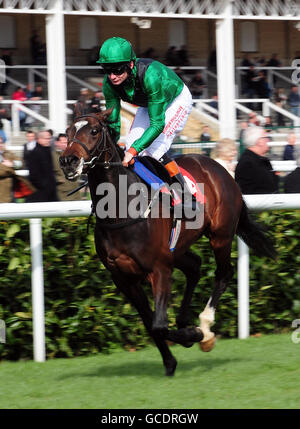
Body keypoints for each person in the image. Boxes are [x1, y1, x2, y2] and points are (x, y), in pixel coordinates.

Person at [97, 37, 196, 211]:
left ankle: (188, 196)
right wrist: (112, 148)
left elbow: (158, 124)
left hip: (176, 100)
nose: (112, 76)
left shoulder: (151, 75)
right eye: (107, 70)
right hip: (149, 103)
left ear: (131, 64)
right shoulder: (109, 84)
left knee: (154, 149)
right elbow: (113, 122)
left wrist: (134, 150)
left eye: (118, 69)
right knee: (128, 146)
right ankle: (159, 189)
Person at [235, 126, 279, 194]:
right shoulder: (247, 164)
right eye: (266, 138)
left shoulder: (261, 160)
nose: (268, 140)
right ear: (259, 141)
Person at [24, 130, 57, 202]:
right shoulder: (33, 154)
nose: (49, 140)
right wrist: (45, 185)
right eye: (47, 139)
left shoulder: (48, 151)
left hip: (51, 190)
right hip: (41, 192)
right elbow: (34, 175)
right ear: (39, 139)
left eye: (50, 138)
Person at [52, 133, 81, 201]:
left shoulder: (73, 155)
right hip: (62, 194)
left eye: (66, 142)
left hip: (75, 192)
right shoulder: (52, 156)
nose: (65, 144)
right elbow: (48, 173)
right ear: (57, 143)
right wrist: (60, 179)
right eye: (62, 142)